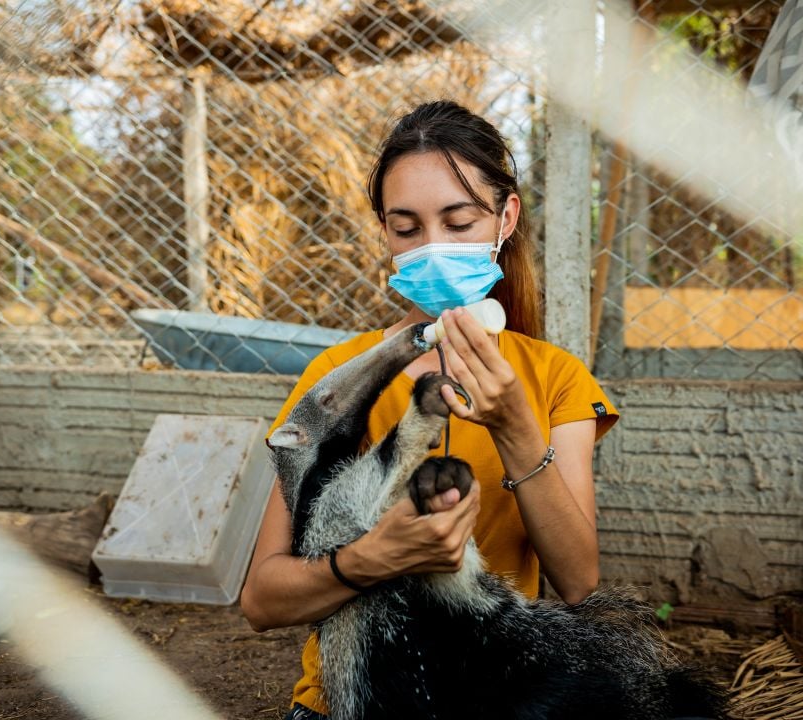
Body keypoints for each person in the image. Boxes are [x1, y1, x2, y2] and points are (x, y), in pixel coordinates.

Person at [240, 100, 619, 720]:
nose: (434, 247)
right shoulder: (341, 380)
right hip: (352, 701)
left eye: (460, 222)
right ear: (386, 232)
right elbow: (263, 601)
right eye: (408, 229)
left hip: (495, 696)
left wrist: (516, 427)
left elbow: (578, 582)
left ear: (505, 218)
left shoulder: (555, 379)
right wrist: (371, 559)